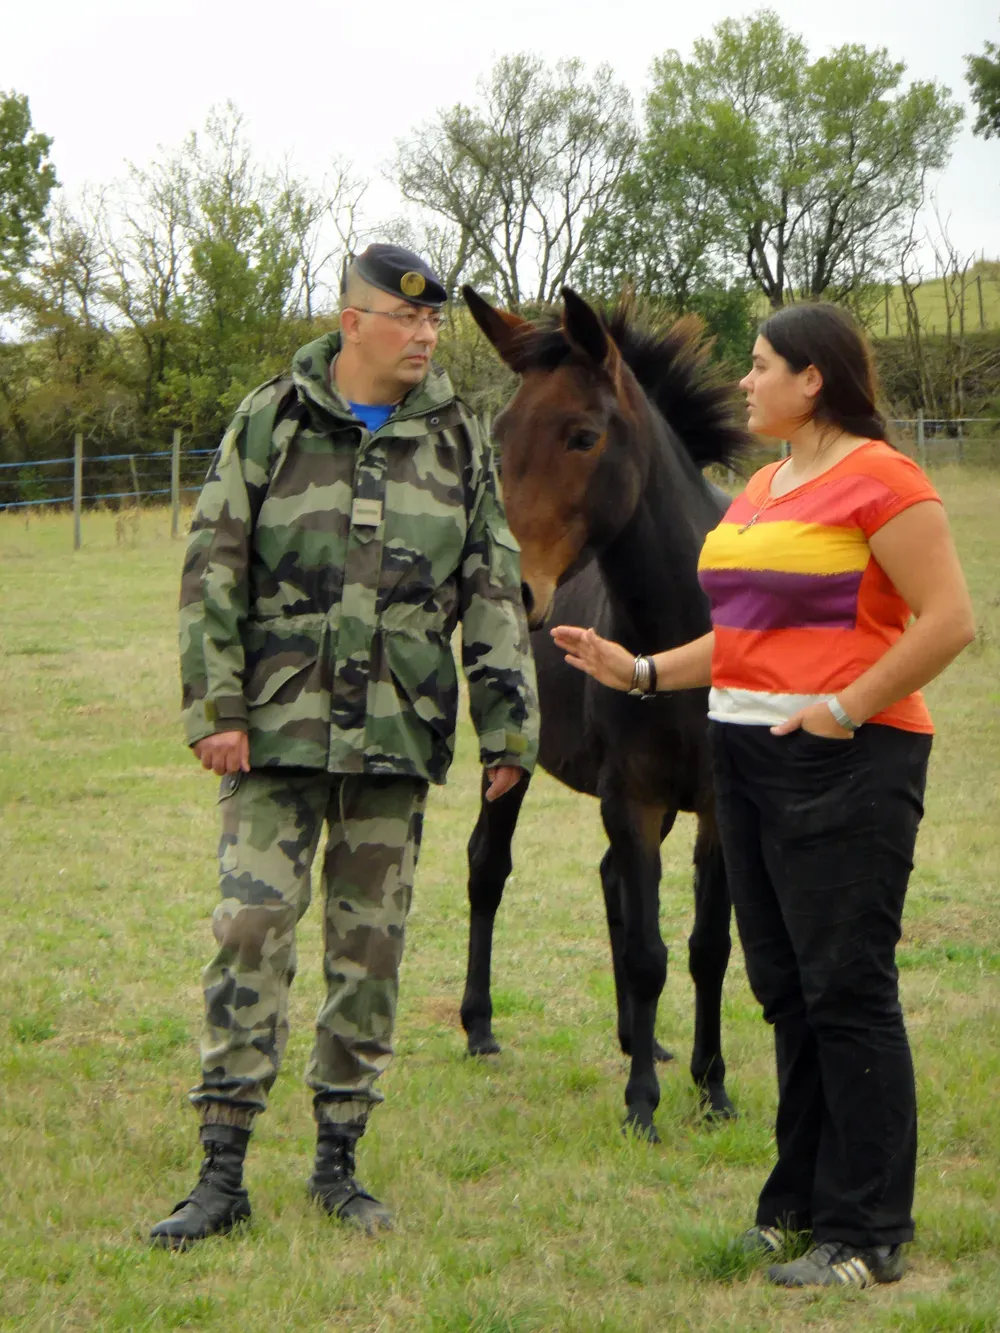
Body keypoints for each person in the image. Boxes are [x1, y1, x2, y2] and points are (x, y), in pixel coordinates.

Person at [552, 302, 975, 1290]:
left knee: (847, 991)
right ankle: (794, 1205)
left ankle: (867, 1230)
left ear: (812, 379)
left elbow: (948, 618)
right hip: (741, 758)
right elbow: (743, 635)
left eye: (760, 366)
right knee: (784, 991)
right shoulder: (764, 488)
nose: (745, 383)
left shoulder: (882, 478)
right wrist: (643, 672)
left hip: (845, 759)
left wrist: (847, 706)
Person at [150, 244, 539, 1249]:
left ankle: (338, 1163)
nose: (423, 336)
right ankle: (221, 1169)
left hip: (397, 733)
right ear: (351, 319)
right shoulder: (270, 419)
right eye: (404, 319)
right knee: (250, 924)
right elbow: (213, 567)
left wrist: (510, 723)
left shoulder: (456, 435)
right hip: (275, 729)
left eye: (433, 323)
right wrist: (216, 708)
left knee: (369, 948)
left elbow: (494, 584)